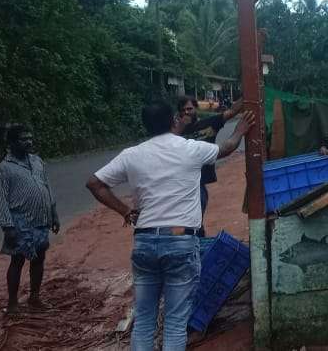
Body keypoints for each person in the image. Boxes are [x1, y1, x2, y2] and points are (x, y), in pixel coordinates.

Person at [85, 101, 253, 351]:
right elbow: (227, 147)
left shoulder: (131, 155)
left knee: (144, 321)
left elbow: (94, 183)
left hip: (144, 242)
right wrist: (240, 129)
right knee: (175, 323)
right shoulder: (189, 148)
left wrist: (125, 211)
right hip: (180, 242)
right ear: (174, 121)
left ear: (145, 125)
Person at [0, 124, 60, 315]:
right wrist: (8, 227)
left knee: (39, 258)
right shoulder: (3, 169)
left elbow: (47, 186)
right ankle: (12, 304)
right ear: (12, 143)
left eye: (30, 138)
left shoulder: (37, 161)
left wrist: (54, 213)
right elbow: (1, 200)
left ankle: (35, 297)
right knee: (17, 261)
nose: (29, 142)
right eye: (23, 139)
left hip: (41, 219)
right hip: (19, 222)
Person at [176, 95, 244, 237]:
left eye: (189, 109)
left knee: (195, 219)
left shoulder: (208, 124)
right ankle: (193, 240)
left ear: (196, 108)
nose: (187, 112)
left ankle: (194, 239)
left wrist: (247, 95)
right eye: (183, 110)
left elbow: (232, 112)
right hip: (181, 183)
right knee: (192, 221)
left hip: (199, 183)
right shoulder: (176, 133)